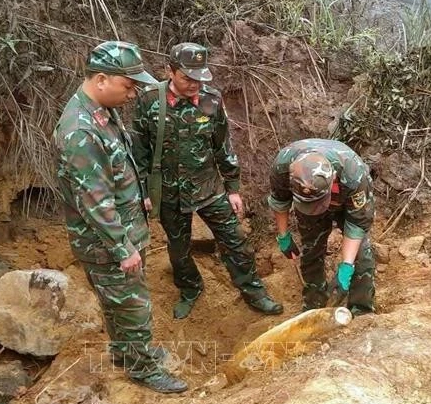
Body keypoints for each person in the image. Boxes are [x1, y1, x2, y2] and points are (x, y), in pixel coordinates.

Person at [54, 41, 187, 393]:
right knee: (133, 306)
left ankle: (126, 352)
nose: (132, 95)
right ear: (101, 79)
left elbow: (119, 163)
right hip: (107, 242)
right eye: (128, 86)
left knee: (118, 303)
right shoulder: (80, 131)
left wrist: (139, 194)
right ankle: (143, 369)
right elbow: (94, 200)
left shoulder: (101, 109)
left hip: (123, 227)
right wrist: (122, 247)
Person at [131, 42, 283, 319]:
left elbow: (222, 146)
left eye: (199, 77)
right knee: (179, 250)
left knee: (235, 241)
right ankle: (190, 288)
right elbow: (139, 150)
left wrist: (233, 188)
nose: (194, 84)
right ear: (170, 71)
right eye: (188, 77)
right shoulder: (150, 100)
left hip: (209, 188)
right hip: (168, 192)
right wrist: (144, 191)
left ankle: (254, 291)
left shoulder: (211, 99)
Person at [268, 139, 376, 315]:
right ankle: (314, 303)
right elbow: (280, 201)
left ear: (333, 177)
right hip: (305, 205)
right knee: (311, 250)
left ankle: (360, 309)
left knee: (362, 254)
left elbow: (356, 224)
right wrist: (283, 235)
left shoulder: (354, 173)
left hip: (345, 203)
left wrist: (347, 265)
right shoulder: (282, 166)